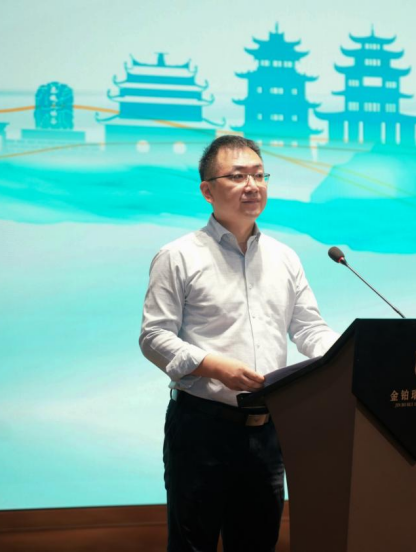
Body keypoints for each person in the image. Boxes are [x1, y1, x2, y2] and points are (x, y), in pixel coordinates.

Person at [139, 135, 338, 552]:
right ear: (207, 191)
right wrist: (214, 366)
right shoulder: (178, 256)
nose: (252, 185)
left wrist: (345, 355)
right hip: (201, 428)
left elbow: (308, 328)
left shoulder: (284, 257)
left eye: (259, 175)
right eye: (237, 176)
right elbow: (154, 337)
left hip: (268, 432)